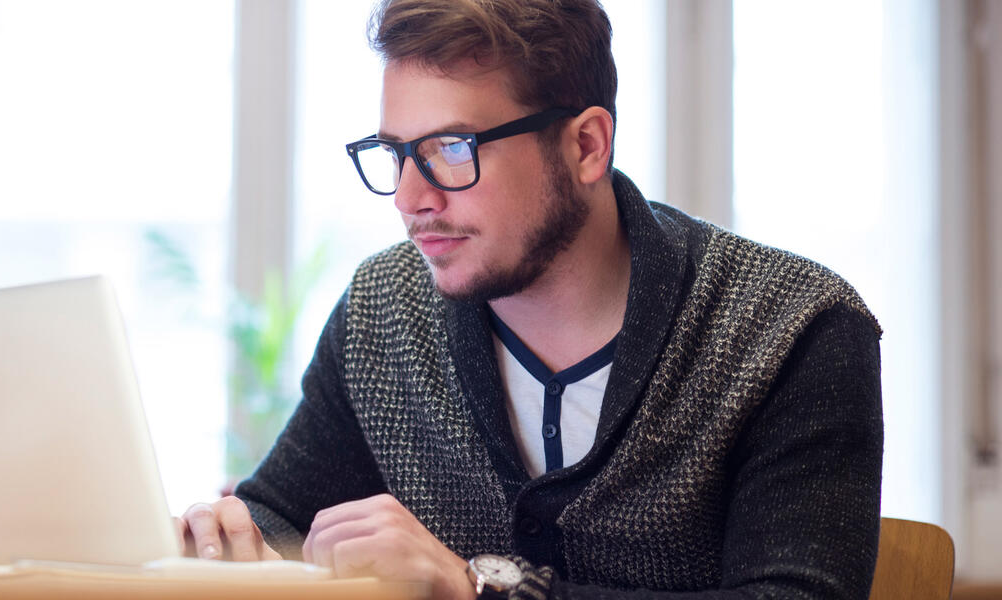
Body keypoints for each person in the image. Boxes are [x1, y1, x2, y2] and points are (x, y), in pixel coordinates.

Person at [179, 0, 884, 598]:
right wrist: (229, 536)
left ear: (586, 146)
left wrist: (475, 584)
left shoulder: (794, 330)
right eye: (395, 152)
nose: (409, 197)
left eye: (452, 148)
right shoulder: (384, 310)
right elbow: (280, 514)